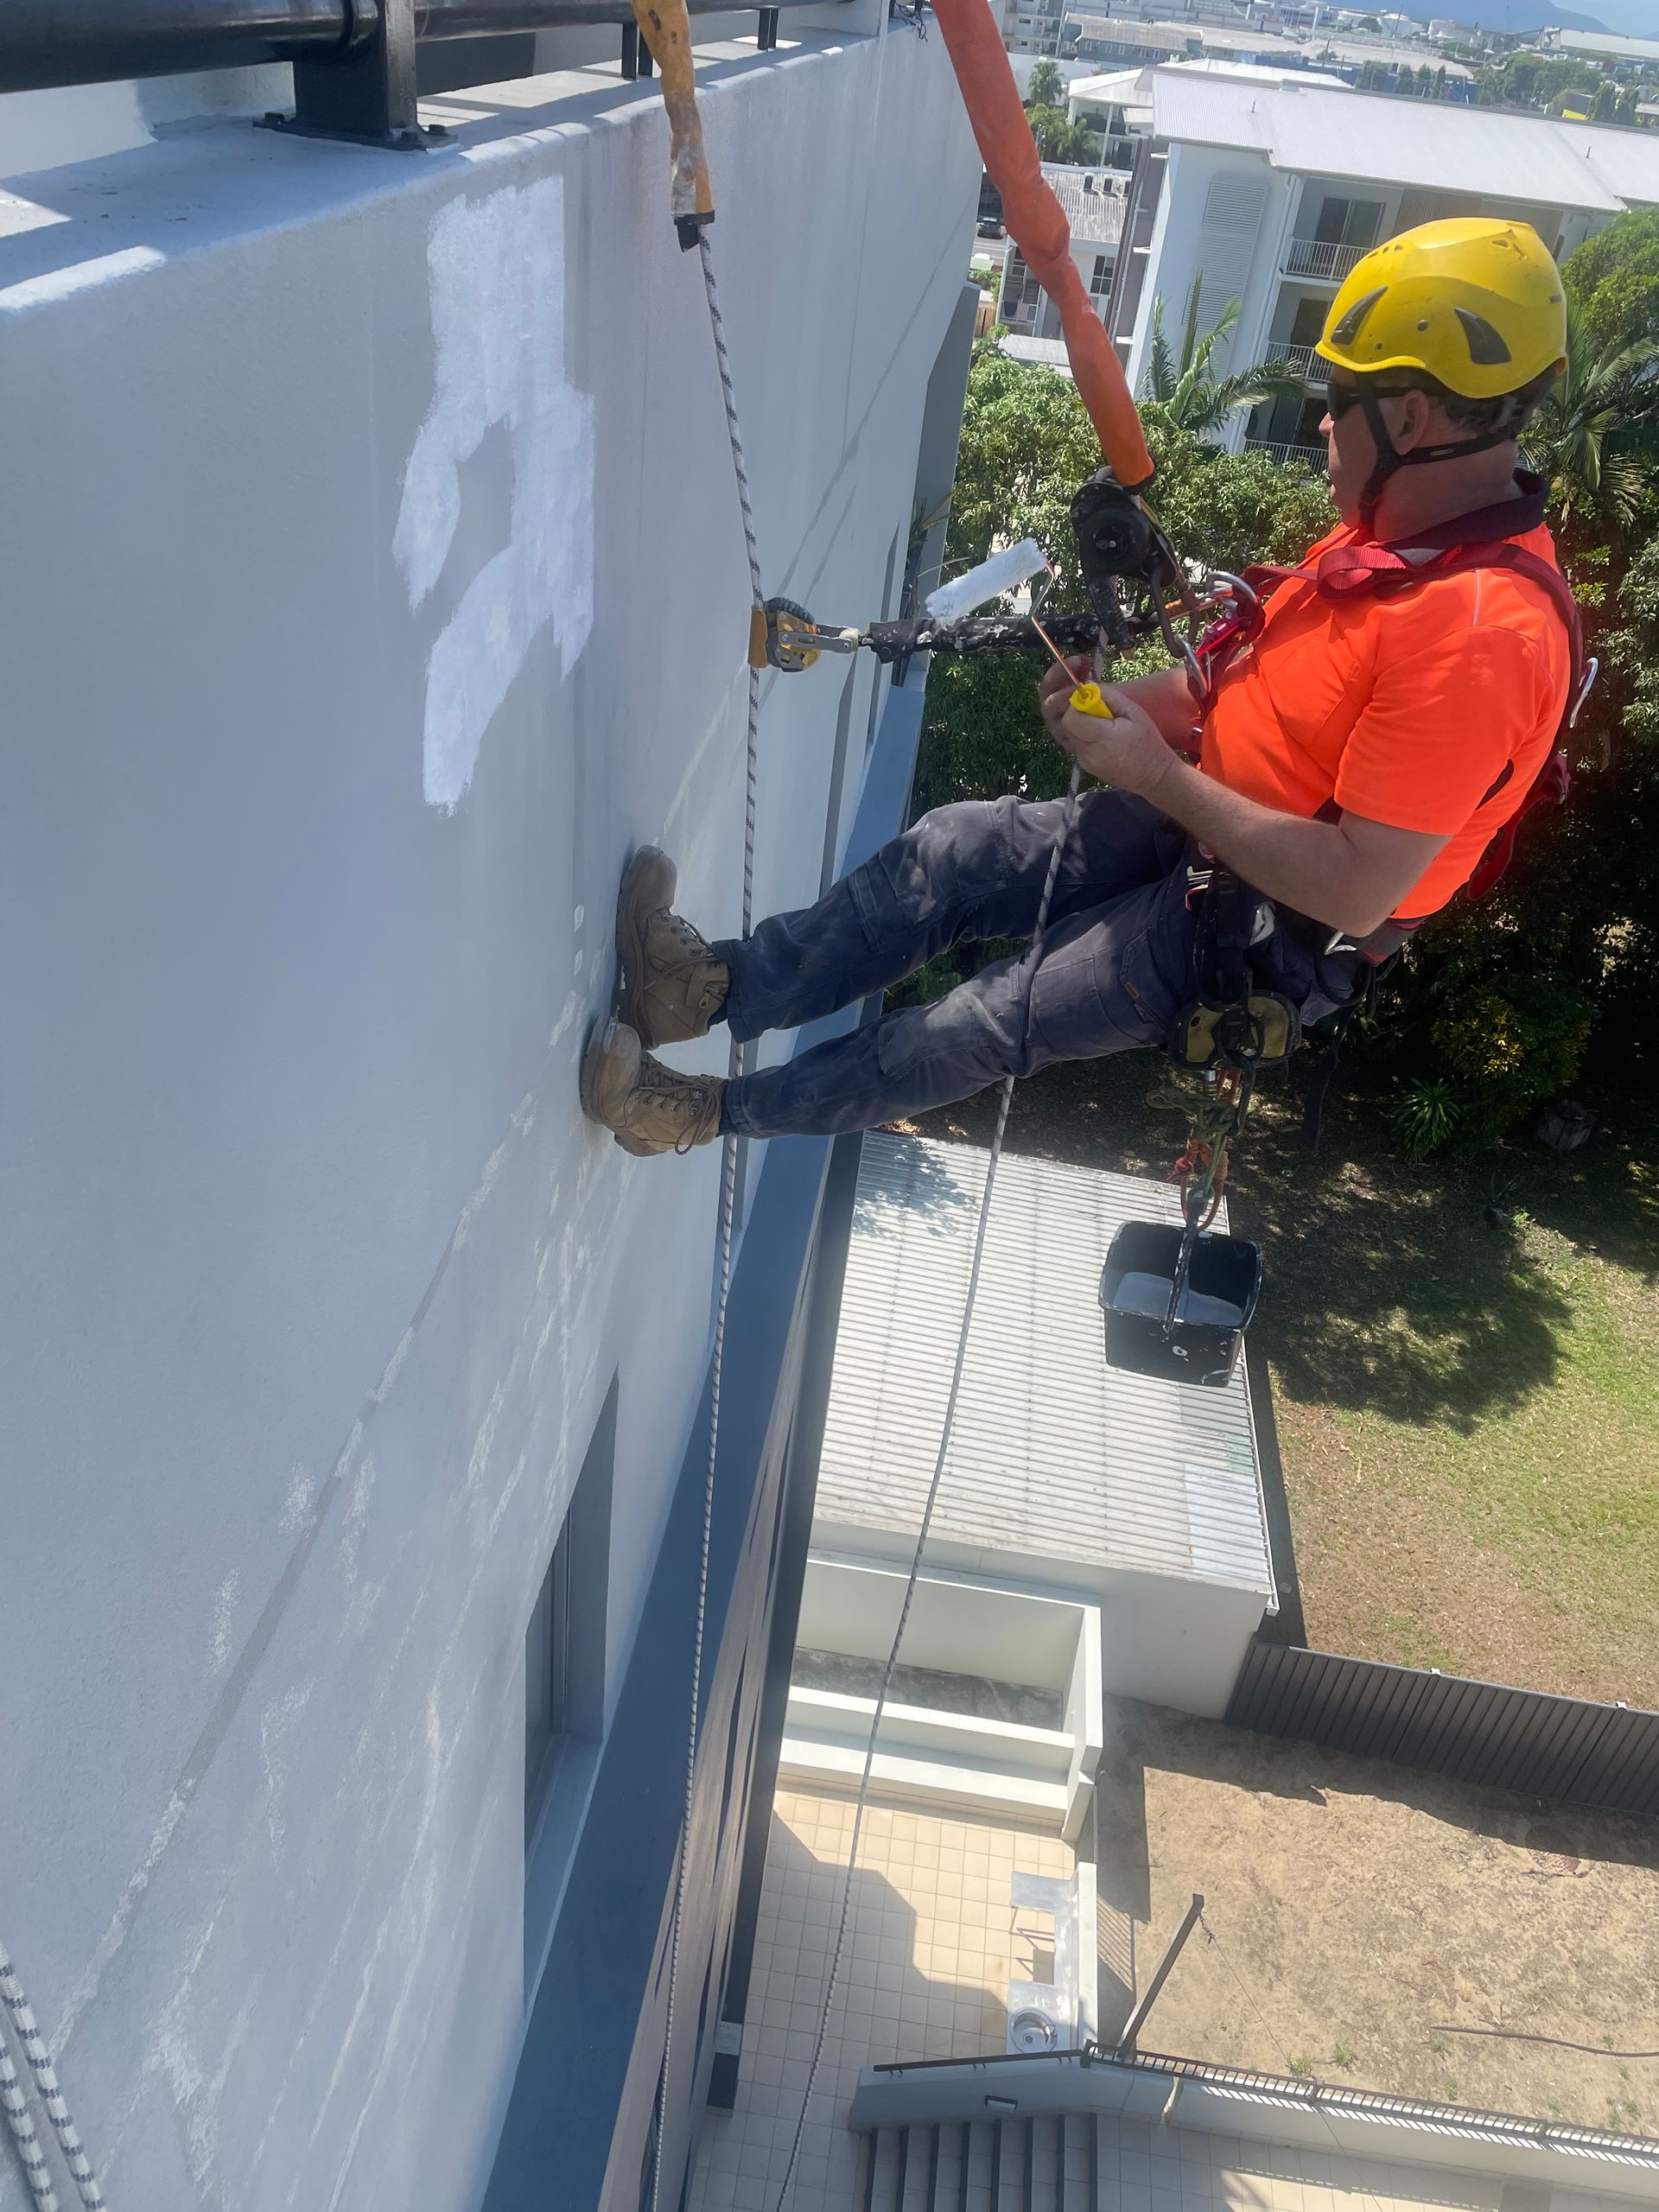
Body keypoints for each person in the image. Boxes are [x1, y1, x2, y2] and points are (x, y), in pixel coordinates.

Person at [581, 219, 1573, 1158]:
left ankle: (696, 1113)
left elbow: (1358, 885)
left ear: (1409, 417)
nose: (1323, 419)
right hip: (1217, 820)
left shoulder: (1481, 636)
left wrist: (1156, 774)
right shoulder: (1398, 540)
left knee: (978, 1021)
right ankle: (704, 989)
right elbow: (1251, 687)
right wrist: (1127, 712)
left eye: (1340, 397)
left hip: (1281, 918)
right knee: (953, 854)